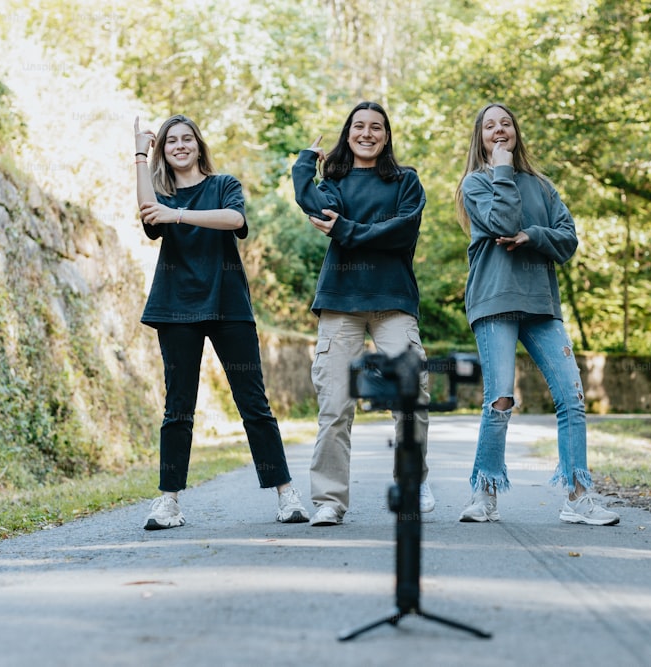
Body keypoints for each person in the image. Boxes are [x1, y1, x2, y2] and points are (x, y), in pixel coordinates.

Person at [133, 115, 308, 529]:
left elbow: (233, 220)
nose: (179, 145)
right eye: (170, 140)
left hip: (228, 304)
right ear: (164, 150)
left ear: (198, 145)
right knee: (178, 409)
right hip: (176, 308)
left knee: (254, 405)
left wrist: (177, 215)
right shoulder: (161, 193)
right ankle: (168, 501)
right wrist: (139, 153)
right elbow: (148, 213)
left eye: (186, 139)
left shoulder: (223, 185)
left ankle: (286, 494)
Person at [453, 103, 619, 526]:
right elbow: (503, 220)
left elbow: (567, 240)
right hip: (494, 300)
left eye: (505, 123)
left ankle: (578, 496)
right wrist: (502, 170)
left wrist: (534, 235)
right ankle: (485, 493)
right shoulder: (475, 184)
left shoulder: (543, 187)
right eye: (490, 126)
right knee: (500, 399)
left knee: (572, 397)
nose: (499, 129)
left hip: (541, 304)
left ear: (516, 131)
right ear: (481, 138)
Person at [291, 101, 434, 526]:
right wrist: (304, 165)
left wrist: (347, 230)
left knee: (412, 396)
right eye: (359, 127)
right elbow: (314, 205)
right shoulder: (334, 180)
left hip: (393, 303)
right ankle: (329, 501)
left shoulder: (406, 181)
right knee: (335, 406)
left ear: (387, 136)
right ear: (348, 133)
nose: (367, 133)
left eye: (376, 127)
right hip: (340, 302)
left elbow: (402, 230)